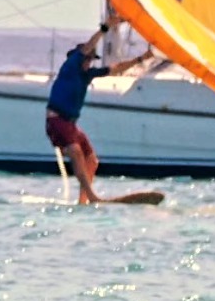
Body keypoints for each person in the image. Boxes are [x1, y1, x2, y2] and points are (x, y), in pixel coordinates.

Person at [45, 21, 152, 205]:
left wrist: (141, 59)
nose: (88, 62)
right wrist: (105, 28)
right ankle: (92, 196)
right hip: (57, 121)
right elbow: (88, 47)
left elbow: (115, 68)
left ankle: (83, 200)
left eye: (90, 60)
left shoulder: (87, 74)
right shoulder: (70, 66)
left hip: (70, 124)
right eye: (87, 59)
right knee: (76, 152)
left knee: (91, 160)